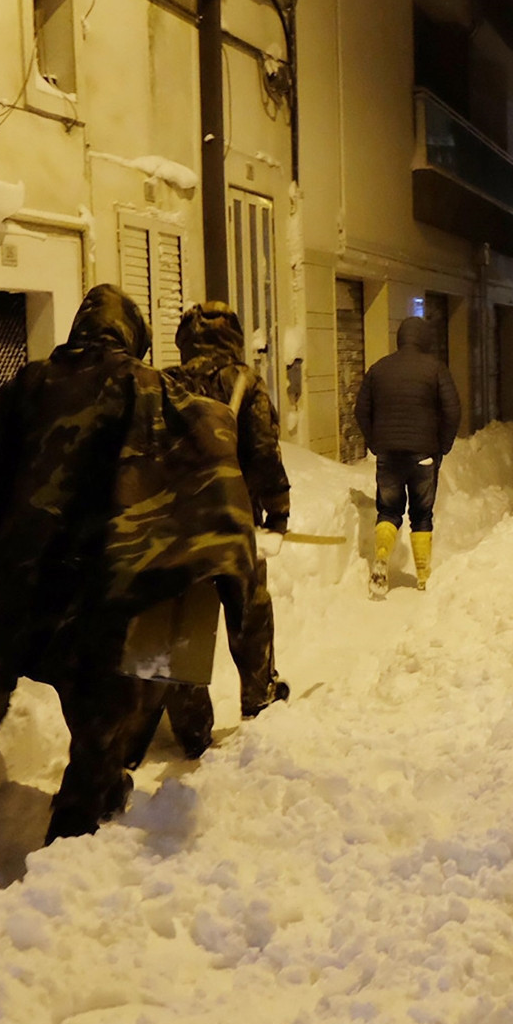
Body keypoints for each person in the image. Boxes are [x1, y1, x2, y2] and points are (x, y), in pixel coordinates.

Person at [0, 285, 256, 843]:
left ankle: (2, 746)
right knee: (103, 702)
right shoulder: (148, 387)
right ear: (132, 334)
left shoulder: (31, 383)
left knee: (13, 660)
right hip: (104, 578)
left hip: (27, 574)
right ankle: (74, 830)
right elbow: (202, 439)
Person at [156, 302, 291, 752]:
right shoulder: (244, 382)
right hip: (235, 519)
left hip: (179, 521)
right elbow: (263, 450)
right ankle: (258, 694)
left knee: (182, 620)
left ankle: (191, 726)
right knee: (249, 608)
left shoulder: (164, 382)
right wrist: (277, 509)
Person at [355, 315, 461, 598]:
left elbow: (361, 410)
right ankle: (423, 575)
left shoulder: (379, 369)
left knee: (388, 511)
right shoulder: (436, 369)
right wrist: (443, 445)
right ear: (423, 339)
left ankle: (380, 556)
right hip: (424, 455)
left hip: (388, 455)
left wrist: (375, 441)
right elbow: (452, 411)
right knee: (421, 515)